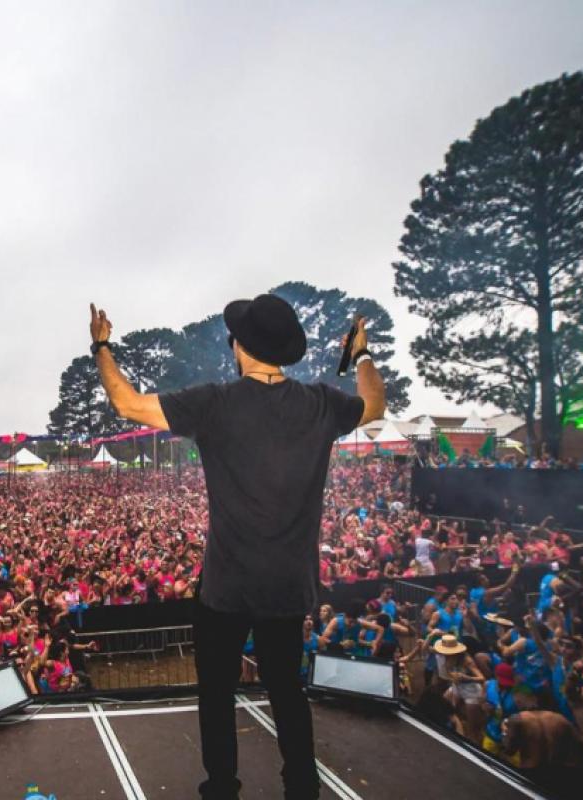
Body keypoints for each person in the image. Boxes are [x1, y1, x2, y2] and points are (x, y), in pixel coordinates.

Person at [89, 296, 385, 800]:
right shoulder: (321, 403)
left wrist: (101, 346)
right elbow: (375, 405)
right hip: (288, 586)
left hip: (227, 586)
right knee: (287, 691)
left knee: (217, 695)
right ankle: (302, 789)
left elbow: (126, 402)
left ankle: (222, 788)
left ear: (239, 346)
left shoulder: (215, 403)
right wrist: (361, 354)